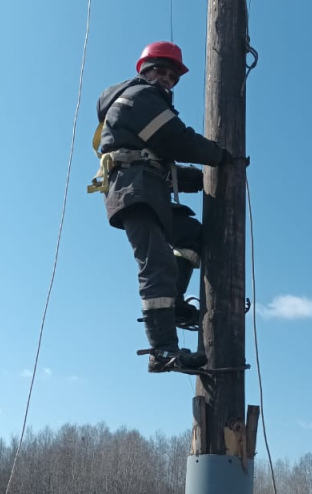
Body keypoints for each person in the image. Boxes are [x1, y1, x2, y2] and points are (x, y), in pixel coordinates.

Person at [93, 41, 234, 373]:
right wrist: (221, 157)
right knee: (155, 262)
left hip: (146, 187)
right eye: (162, 71)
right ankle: (163, 350)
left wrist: (203, 179)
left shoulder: (147, 103)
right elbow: (176, 139)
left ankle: (172, 307)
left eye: (173, 76)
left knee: (190, 235)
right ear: (145, 69)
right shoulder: (140, 97)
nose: (167, 79)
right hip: (133, 191)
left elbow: (160, 158)